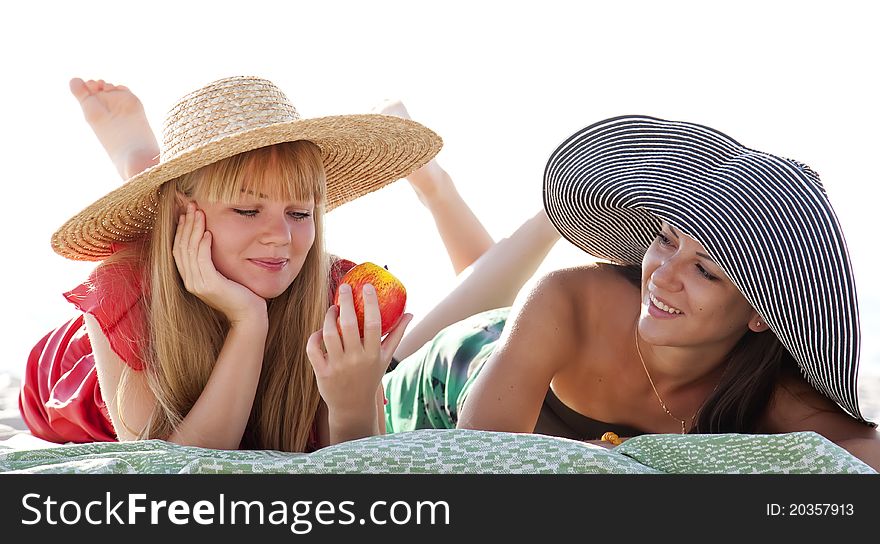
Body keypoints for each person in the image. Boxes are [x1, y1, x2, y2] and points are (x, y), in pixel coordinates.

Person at [20, 76, 558, 452]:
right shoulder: (121, 292)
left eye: (301, 212)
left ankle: (156, 173)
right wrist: (247, 321)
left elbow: (355, 471)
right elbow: (186, 468)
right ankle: (142, 165)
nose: (281, 235)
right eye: (249, 208)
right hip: (85, 375)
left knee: (406, 339)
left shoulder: (329, 287)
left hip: (219, 268)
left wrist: (350, 406)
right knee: (147, 248)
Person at [383, 114, 880, 471]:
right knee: (396, 361)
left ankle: (439, 193)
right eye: (665, 239)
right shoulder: (569, 298)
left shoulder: (765, 387)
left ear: (760, 311)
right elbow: (477, 457)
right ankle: (445, 192)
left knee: (483, 283)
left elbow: (867, 453)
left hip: (520, 342)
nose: (662, 275)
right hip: (456, 368)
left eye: (705, 270)